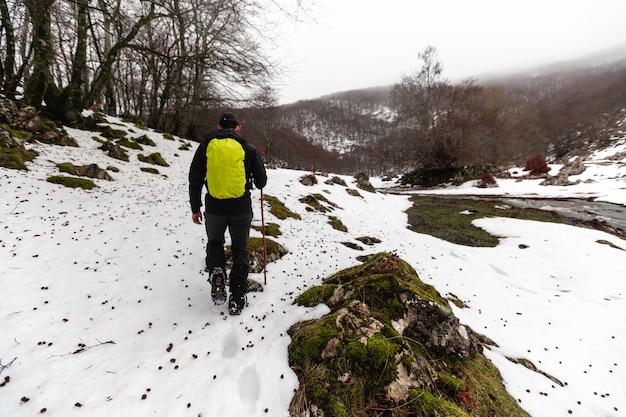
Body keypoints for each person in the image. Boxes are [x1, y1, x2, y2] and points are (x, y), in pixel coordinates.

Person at [188, 112, 267, 315]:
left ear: (219, 127)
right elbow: (261, 183)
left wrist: (195, 208)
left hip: (214, 208)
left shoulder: (206, 146)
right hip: (240, 207)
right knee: (240, 249)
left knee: (215, 243)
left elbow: (195, 178)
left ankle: (217, 272)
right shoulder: (247, 148)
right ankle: (237, 296)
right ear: (238, 128)